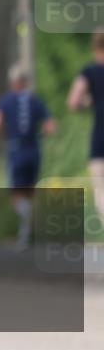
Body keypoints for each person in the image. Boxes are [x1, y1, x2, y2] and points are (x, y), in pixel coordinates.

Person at [0, 64, 57, 249]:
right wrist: (40, 134)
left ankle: (25, 231)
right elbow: (51, 126)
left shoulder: (7, 101)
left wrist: (4, 134)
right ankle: (29, 229)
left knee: (16, 194)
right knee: (29, 192)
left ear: (13, 82)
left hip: (16, 150)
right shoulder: (36, 101)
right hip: (34, 150)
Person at [67, 28, 104, 223]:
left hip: (100, 139)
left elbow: (73, 102)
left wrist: (88, 103)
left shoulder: (89, 72)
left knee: (101, 189)